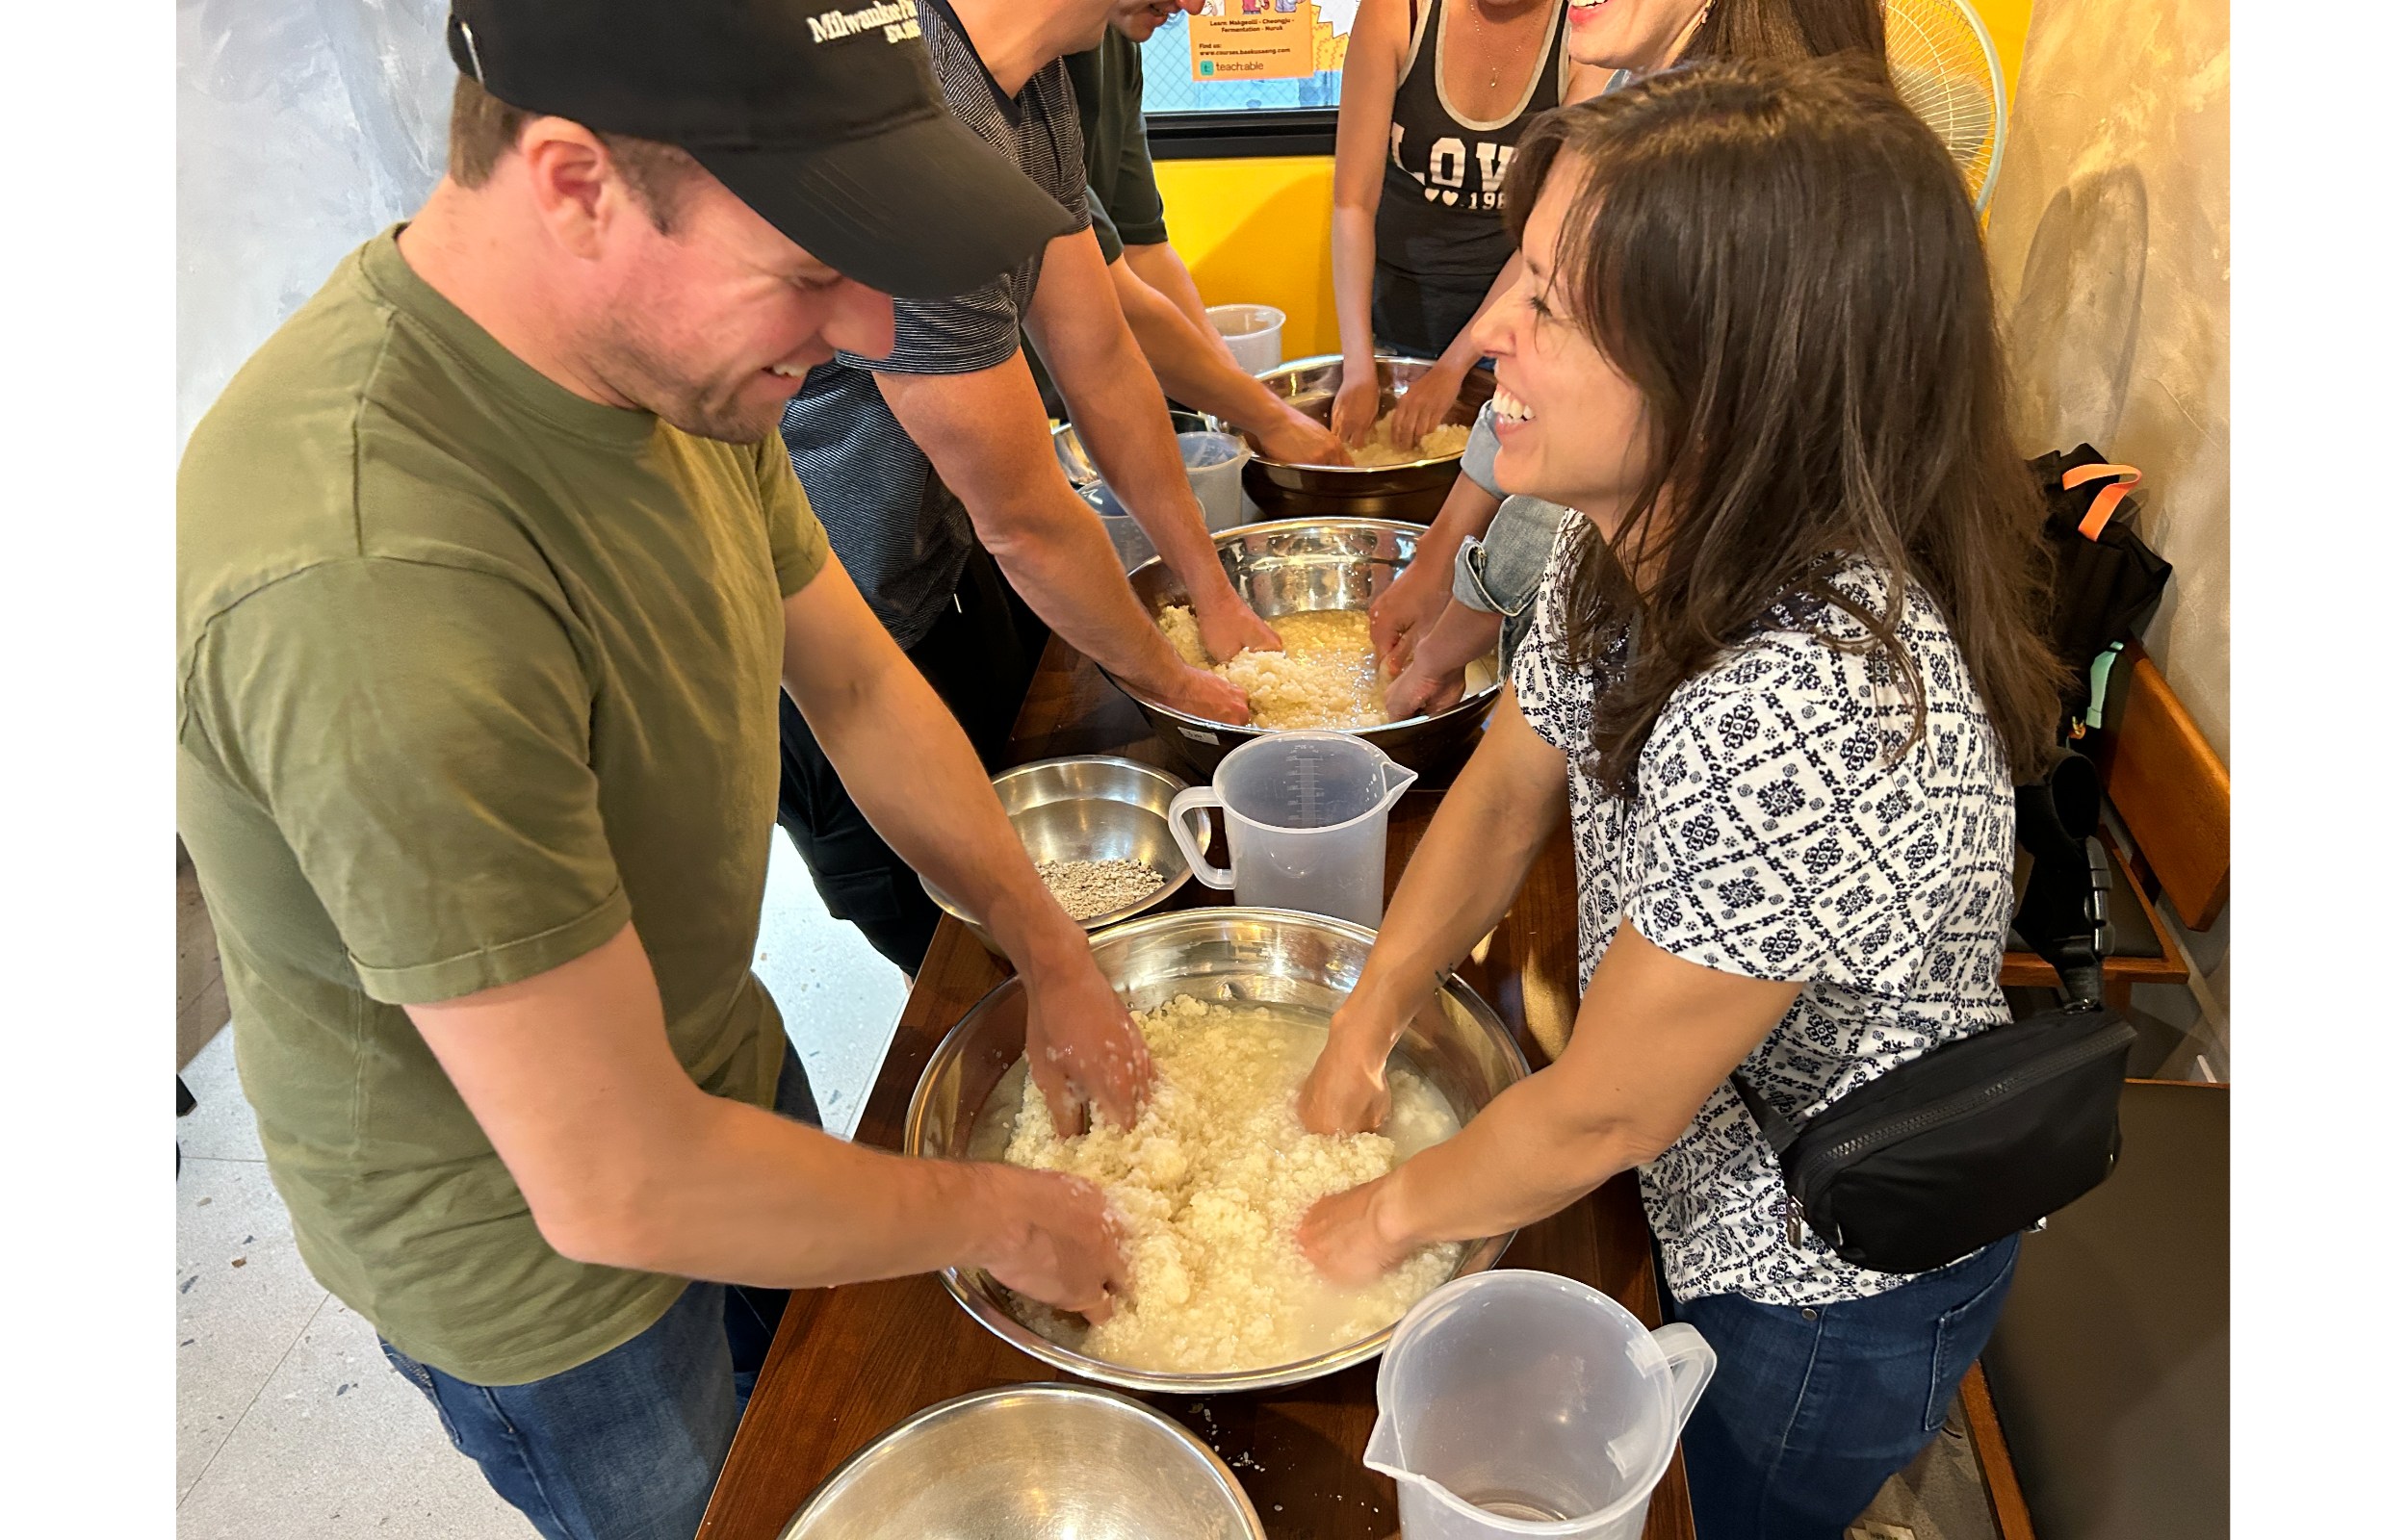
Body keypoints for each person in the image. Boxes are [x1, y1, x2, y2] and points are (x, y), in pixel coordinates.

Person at [176, 6, 1152, 1537]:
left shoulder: (663, 364)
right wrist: (1001, 1215)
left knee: (816, 1423)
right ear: (574, 184)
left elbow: (850, 678)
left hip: (711, 1068)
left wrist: (1051, 951)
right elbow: (617, 1179)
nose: (870, 332)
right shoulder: (375, 575)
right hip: (542, 1264)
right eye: (811, 271)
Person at [1292, 60, 2066, 1540]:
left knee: (1718, 1514)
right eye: (1519, 275)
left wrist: (1372, 1217)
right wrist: (1364, 1020)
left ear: (1730, 382)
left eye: (1551, 310)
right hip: (1693, 1159)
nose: (1487, 341)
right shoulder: (1623, 536)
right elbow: (1514, 776)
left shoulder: (1811, 705)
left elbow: (1605, 1114)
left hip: (1810, 1284)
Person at [777, 0, 1283, 975]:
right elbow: (1024, 518)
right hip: (831, 637)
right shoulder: (913, 120)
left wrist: (1210, 592)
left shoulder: (1036, 86)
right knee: (961, 955)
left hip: (949, 574)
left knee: (1043, 857)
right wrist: (1178, 686)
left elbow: (1099, 360)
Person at [1371, 0, 1889, 715]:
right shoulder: (1630, 94)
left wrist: (1446, 639)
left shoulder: (1729, 167)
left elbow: (1579, 481)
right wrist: (1440, 555)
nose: (1492, 334)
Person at [1045, 9, 1348, 465]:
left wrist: (1239, 398)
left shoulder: (1116, 44)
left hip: (1073, 382)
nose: (1193, 7)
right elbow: (1111, 289)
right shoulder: (1001, 75)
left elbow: (1144, 249)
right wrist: (1269, 418)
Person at [1331, 0, 1612, 450]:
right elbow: (1353, 203)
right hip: (1396, 321)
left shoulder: (1585, 36)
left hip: (1518, 327)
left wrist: (1454, 366)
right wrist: (1360, 366)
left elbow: (1554, 227)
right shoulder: (1397, 12)